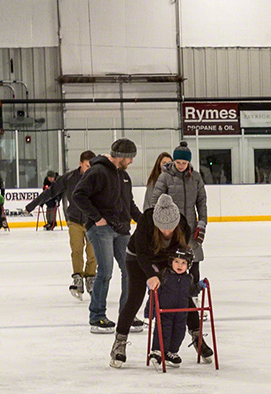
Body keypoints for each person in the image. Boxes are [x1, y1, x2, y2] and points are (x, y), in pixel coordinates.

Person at [110, 194, 195, 368]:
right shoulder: (146, 221)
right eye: (162, 228)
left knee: (181, 295)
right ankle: (119, 343)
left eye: (170, 228)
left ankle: (198, 337)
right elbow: (141, 254)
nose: (166, 232)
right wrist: (150, 275)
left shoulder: (183, 225)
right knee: (135, 298)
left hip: (166, 259)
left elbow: (182, 255)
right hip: (137, 259)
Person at [72, 139, 144, 334]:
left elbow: (129, 205)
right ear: (121, 156)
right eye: (130, 158)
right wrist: (96, 218)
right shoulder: (97, 172)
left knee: (130, 270)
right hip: (101, 230)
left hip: (122, 230)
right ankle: (97, 317)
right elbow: (78, 195)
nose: (131, 162)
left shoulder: (124, 176)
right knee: (105, 272)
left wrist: (145, 222)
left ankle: (127, 314)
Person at [148, 143, 209, 354]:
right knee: (172, 278)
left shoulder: (196, 177)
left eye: (185, 162)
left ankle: (196, 330)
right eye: (178, 162)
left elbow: (202, 201)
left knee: (191, 275)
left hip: (190, 232)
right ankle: (167, 330)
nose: (181, 165)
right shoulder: (165, 178)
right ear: (173, 161)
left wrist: (202, 224)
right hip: (171, 233)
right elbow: (155, 203)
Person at [26, 151, 98, 299]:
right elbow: (51, 192)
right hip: (74, 220)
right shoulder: (69, 178)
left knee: (93, 253)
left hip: (93, 221)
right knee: (76, 250)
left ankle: (91, 278)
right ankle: (78, 279)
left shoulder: (98, 178)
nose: (89, 169)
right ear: (80, 164)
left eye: (92, 166)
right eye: (86, 166)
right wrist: (32, 205)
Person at [149, 247, 196, 368]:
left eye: (183, 263)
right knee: (163, 330)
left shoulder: (188, 278)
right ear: (171, 262)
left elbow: (191, 291)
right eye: (176, 261)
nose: (179, 265)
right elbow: (155, 293)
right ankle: (157, 351)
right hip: (165, 311)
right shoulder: (164, 275)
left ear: (188, 265)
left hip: (181, 313)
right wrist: (150, 308)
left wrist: (200, 285)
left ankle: (171, 352)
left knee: (179, 332)